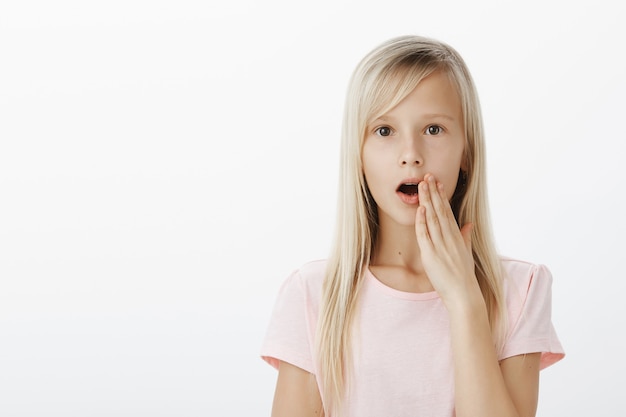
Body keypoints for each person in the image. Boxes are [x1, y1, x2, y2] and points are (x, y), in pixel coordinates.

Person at [260, 35, 565, 417]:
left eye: (433, 129)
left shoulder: (522, 289)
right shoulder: (314, 295)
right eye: (384, 131)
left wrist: (464, 301)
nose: (411, 156)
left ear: (466, 152)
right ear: (359, 155)